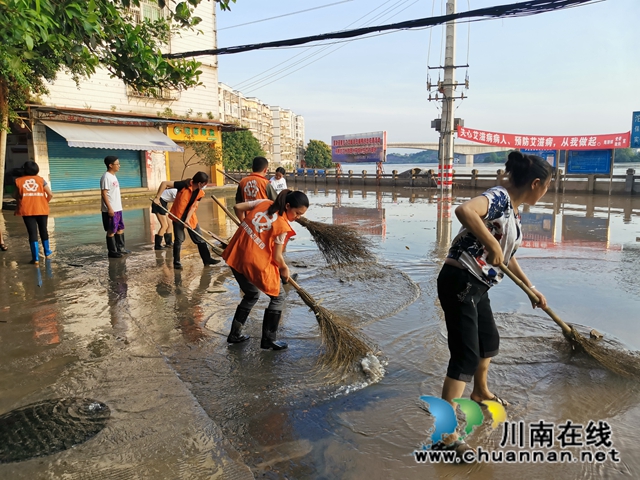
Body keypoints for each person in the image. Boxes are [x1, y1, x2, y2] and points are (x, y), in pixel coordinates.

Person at [435, 150, 552, 456]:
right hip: (460, 279)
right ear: (536, 183)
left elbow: (507, 257)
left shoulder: (514, 212)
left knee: (488, 343)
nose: (546, 192)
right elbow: (464, 211)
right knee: (465, 356)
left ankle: (480, 392)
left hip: (478, 285)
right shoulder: (499, 196)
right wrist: (488, 242)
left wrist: (531, 289)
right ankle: (445, 433)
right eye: (548, 187)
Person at [222, 189, 309, 350]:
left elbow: (238, 207)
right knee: (278, 296)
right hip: (253, 261)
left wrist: (243, 224)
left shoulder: (262, 202)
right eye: (297, 213)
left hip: (236, 253)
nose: (297, 218)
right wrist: (284, 268)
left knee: (252, 294)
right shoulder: (282, 227)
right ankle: (268, 340)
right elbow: (277, 257)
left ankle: (235, 335)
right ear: (288, 206)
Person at [153, 172, 220, 269]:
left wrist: (187, 220)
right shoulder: (183, 185)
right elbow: (164, 183)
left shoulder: (200, 193)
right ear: (200, 183)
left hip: (191, 217)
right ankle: (176, 262)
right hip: (178, 217)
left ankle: (207, 259)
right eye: (204, 184)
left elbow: (193, 207)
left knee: (200, 239)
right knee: (179, 240)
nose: (205, 186)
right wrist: (157, 197)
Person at [13, 161, 53, 264]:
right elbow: (50, 194)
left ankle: (35, 258)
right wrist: (44, 202)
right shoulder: (41, 180)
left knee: (32, 233)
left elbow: (15, 195)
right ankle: (47, 253)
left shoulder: (19, 181)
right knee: (43, 230)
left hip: (27, 210)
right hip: (41, 209)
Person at [100, 156, 130, 258]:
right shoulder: (106, 177)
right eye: (117, 164)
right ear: (110, 165)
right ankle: (112, 252)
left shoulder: (113, 176)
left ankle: (120, 248)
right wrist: (109, 208)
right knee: (111, 230)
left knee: (120, 228)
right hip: (111, 209)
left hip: (118, 208)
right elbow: (104, 194)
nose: (119, 166)